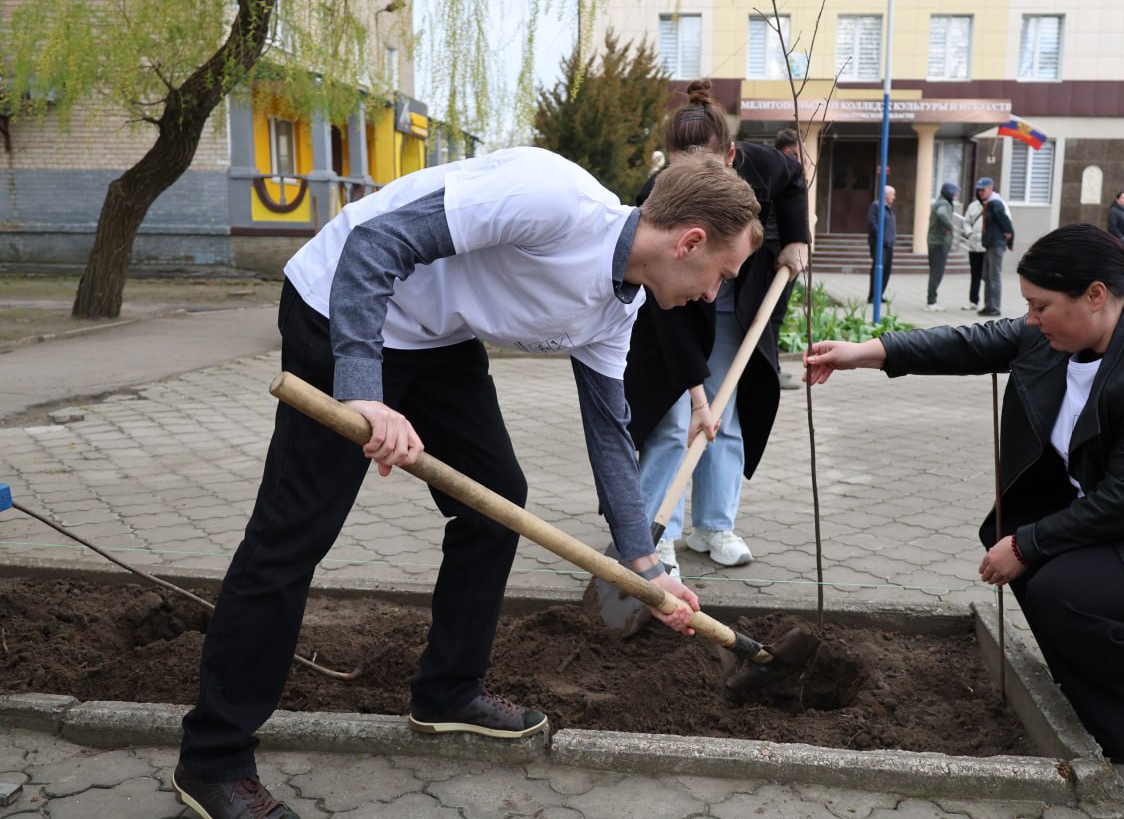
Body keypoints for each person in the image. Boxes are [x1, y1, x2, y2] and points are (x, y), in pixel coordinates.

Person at [171, 146, 763, 819]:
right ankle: (213, 759)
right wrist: (363, 391)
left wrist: (646, 568)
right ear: (690, 241)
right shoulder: (554, 199)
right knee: (292, 535)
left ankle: (448, 690)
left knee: (496, 502)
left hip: (433, 337)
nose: (714, 294)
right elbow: (375, 242)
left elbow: (609, 434)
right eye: (722, 273)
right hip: (342, 307)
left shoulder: (615, 310)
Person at [805, 222, 1124, 766]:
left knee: (1060, 588)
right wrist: (865, 352)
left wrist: (1028, 544)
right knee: (1041, 568)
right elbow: (973, 342)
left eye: (1040, 305)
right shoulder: (1068, 334)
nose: (1029, 319)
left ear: (1095, 296)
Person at [626, 81, 809, 579]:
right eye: (680, 174)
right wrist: (693, 393)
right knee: (672, 419)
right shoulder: (655, 199)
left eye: (706, 171)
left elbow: (794, 177)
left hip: (736, 305)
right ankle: (652, 535)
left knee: (723, 415)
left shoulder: (762, 165)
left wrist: (796, 239)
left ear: (730, 155)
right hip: (674, 308)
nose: (691, 186)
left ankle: (713, 526)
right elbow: (668, 317)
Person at [769, 127, 806, 391]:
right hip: (777, 253)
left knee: (776, 314)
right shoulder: (786, 174)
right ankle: (771, 372)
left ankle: (775, 368)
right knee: (773, 314)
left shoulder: (778, 172)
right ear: (790, 151)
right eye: (800, 151)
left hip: (779, 250)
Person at [976, 177, 1014, 316]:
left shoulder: (996, 203)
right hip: (990, 244)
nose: (980, 192)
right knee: (986, 275)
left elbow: (1007, 225)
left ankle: (995, 307)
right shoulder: (989, 203)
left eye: (983, 189)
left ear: (990, 189)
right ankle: (988, 305)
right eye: (979, 189)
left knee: (994, 276)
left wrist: (1010, 241)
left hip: (996, 244)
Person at [924, 182, 959, 310]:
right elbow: (942, 214)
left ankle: (932, 300)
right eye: (955, 192)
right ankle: (931, 302)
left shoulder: (940, 201)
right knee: (936, 273)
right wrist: (949, 226)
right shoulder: (944, 203)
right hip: (939, 243)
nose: (956, 195)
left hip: (935, 241)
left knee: (935, 272)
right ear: (949, 192)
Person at [867, 185, 897, 303]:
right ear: (886, 195)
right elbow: (872, 224)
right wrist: (881, 238)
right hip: (879, 244)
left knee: (886, 270)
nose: (894, 197)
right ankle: (873, 296)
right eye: (892, 194)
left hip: (889, 244)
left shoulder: (889, 207)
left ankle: (879, 294)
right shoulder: (876, 206)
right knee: (878, 269)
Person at [959, 190, 985, 310]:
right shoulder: (973, 206)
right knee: (975, 275)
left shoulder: (996, 203)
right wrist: (969, 234)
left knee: (989, 276)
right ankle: (973, 301)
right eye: (979, 192)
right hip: (974, 246)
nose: (981, 194)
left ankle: (990, 303)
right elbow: (966, 222)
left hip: (988, 247)